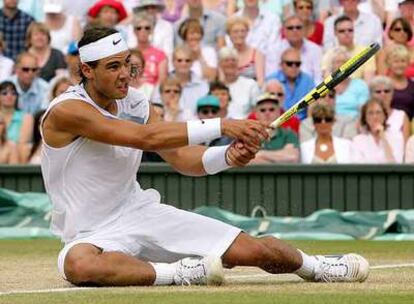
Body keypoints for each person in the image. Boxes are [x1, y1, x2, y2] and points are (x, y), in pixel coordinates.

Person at [41, 26, 369, 287]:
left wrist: (228, 155)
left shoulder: (137, 102)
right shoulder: (67, 111)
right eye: (113, 67)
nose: (125, 73)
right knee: (79, 265)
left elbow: (183, 159)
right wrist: (224, 124)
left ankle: (317, 266)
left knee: (255, 251)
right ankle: (181, 273)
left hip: (140, 212)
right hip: (89, 234)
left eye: (127, 63)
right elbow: (146, 138)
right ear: (86, 70)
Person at [266, 14, 322, 83]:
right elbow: (271, 78)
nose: (294, 30)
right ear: (284, 31)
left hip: (310, 90)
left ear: (304, 30)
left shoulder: (315, 50)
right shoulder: (274, 50)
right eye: (290, 28)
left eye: (298, 27)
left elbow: (318, 78)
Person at [249, 92, 300, 164]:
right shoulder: (248, 136)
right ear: (256, 114)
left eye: (271, 109)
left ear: (279, 112)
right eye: (262, 110)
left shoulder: (289, 134)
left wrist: (261, 154)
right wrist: (278, 158)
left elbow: (292, 157)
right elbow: (245, 161)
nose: (267, 113)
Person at [321, 15, 376, 82]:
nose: (347, 33)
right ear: (335, 33)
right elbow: (327, 82)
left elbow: (368, 82)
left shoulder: (366, 53)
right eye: (342, 31)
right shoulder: (329, 55)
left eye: (350, 30)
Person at [266, 48, 315, 120]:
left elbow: (313, 106)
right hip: (278, 123)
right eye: (289, 63)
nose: (294, 67)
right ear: (281, 65)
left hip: (302, 125)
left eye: (297, 64)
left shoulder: (308, 81)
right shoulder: (271, 80)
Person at [352, 98, 404, 163]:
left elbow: (395, 164)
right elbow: (358, 166)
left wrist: (383, 138)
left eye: (378, 112)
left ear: (384, 116)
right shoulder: (358, 140)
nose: (375, 117)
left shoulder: (396, 136)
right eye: (370, 113)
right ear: (365, 118)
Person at [218, 47, 260, 119]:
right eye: (226, 60)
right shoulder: (215, 88)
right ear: (220, 64)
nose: (230, 63)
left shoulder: (250, 84)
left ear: (238, 63)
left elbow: (257, 110)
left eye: (233, 60)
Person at [369, 75, 411, 143]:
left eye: (387, 91)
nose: (383, 94)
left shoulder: (402, 116)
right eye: (378, 91)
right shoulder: (365, 116)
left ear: (392, 93)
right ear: (371, 94)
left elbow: (407, 145)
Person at [0, 81, 34, 163]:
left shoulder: (26, 117)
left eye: (13, 93)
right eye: (4, 93)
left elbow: (23, 142)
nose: (9, 96)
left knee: (21, 148)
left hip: (18, 155)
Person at [226, 16, 265, 86]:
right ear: (229, 34)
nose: (240, 34)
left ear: (247, 33)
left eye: (243, 31)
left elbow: (260, 80)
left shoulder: (256, 54)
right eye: (235, 32)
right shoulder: (225, 54)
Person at [133, 13, 168, 87]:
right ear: (134, 31)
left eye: (147, 28)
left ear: (151, 30)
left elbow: (162, 80)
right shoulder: (128, 53)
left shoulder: (160, 54)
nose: (143, 31)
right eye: (139, 28)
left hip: (154, 94)